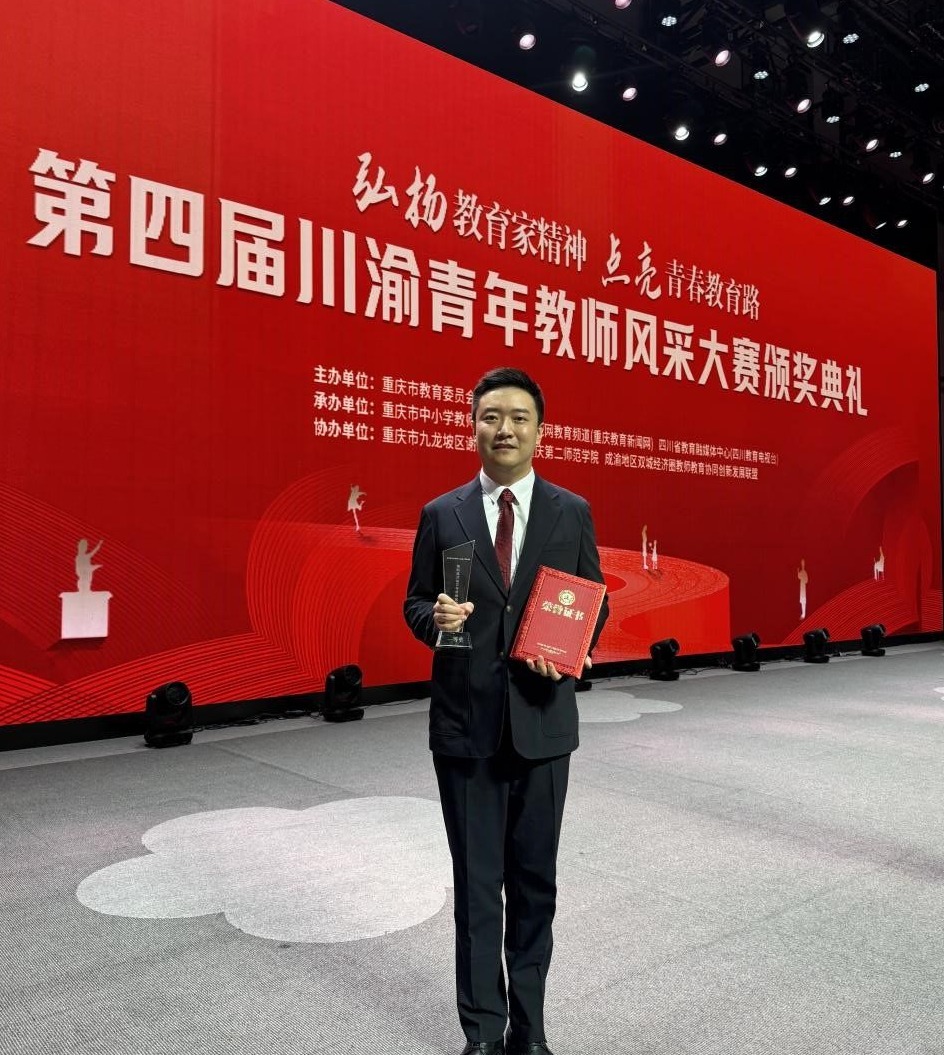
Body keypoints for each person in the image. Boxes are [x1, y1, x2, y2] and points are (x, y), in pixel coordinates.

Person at [404, 367, 609, 1055]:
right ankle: (483, 1033)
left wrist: (574, 649)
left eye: (519, 417)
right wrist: (434, 619)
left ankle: (531, 1030)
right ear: (473, 426)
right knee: (476, 888)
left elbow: (592, 600)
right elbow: (416, 602)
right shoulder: (444, 513)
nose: (505, 429)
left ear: (540, 430)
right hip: (465, 728)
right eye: (491, 416)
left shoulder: (570, 511)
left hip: (543, 721)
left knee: (533, 885)